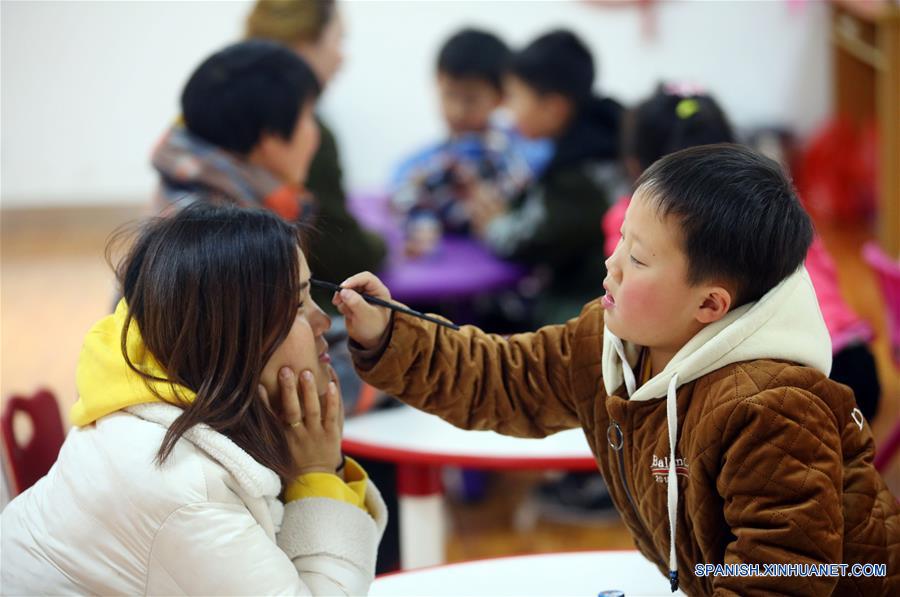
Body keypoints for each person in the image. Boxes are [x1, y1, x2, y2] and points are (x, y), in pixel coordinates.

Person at [334, 144, 900, 595]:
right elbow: (503, 379)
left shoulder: (774, 410)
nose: (612, 263)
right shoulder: (612, 340)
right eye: (622, 239)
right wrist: (388, 334)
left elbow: (781, 579)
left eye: (638, 258)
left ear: (710, 304)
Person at [0, 203, 387, 595]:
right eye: (298, 305)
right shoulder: (182, 485)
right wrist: (318, 474)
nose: (324, 322)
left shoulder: (185, 402)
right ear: (231, 333)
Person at [603, 83, 881, 421]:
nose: (613, 263)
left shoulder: (635, 216)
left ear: (635, 164)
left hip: (794, 385)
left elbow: (636, 308)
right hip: (855, 360)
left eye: (635, 256)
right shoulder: (780, 209)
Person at [468, 29, 627, 326]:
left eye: (514, 97)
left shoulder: (579, 176)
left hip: (585, 309)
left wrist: (492, 224)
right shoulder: (605, 135)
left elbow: (527, 243)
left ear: (553, 108)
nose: (508, 110)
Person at [245, 0, 386, 311]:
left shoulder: (210, 117)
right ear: (302, 43)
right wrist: (387, 242)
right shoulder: (303, 132)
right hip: (285, 312)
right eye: (338, 40)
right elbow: (344, 253)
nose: (342, 57)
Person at [390, 28, 551, 246]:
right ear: (437, 84)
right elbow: (401, 193)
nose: (457, 111)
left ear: (502, 97)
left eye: (471, 99)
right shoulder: (421, 164)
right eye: (449, 94)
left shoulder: (525, 156)